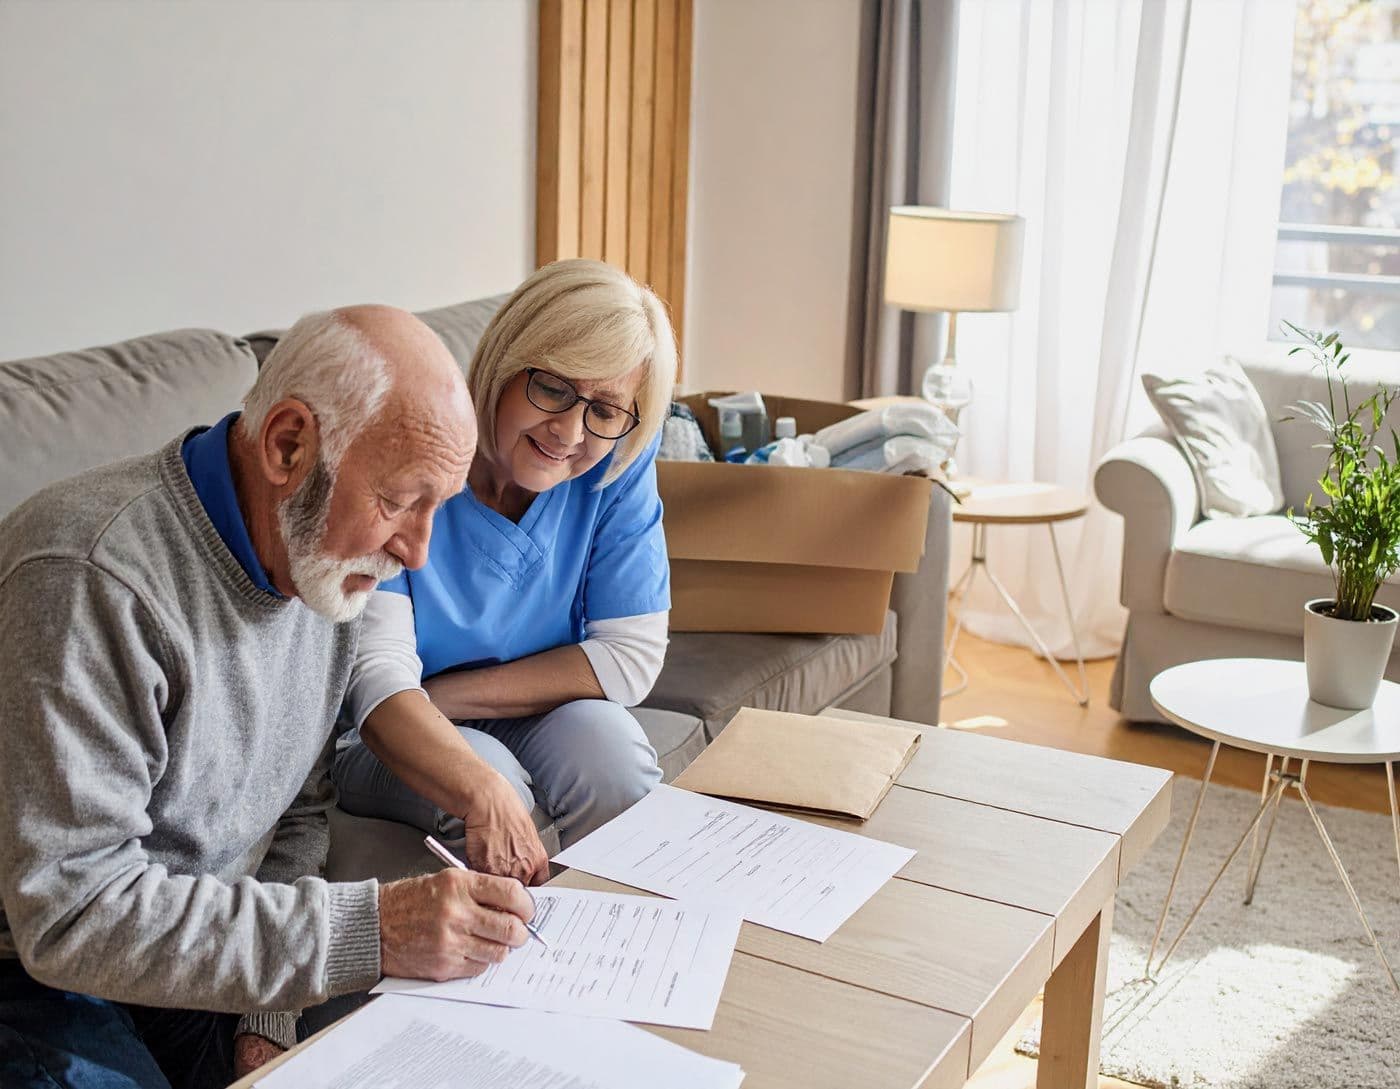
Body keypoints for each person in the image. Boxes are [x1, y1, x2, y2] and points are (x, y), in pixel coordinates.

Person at [0, 306, 537, 1089]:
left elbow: (296, 811)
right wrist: (374, 929)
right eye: (397, 500)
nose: (416, 551)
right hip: (39, 964)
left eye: (438, 507)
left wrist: (266, 1018)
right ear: (289, 444)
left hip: (191, 941)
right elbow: (72, 912)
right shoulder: (93, 576)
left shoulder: (321, 566)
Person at [335, 260, 676, 886]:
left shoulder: (616, 460)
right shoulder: (415, 442)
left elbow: (631, 657)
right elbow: (378, 685)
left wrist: (448, 696)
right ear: (505, 361)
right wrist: (430, 713)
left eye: (604, 409)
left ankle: (630, 955)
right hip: (386, 732)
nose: (570, 432)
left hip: (508, 706)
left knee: (614, 755)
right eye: (552, 388)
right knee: (488, 781)